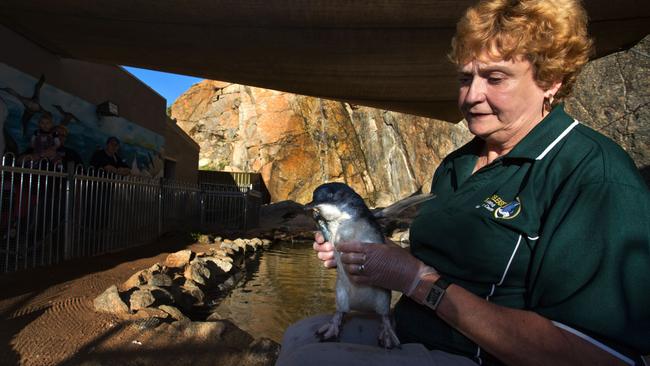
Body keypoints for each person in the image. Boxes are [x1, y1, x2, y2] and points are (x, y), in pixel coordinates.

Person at [278, 0, 650, 365]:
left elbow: (601, 355)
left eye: (495, 78)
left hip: (479, 355)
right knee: (298, 336)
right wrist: (371, 257)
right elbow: (444, 266)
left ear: (550, 80)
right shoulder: (459, 163)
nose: (472, 96)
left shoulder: (592, 175)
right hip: (414, 331)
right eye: (465, 78)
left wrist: (417, 282)